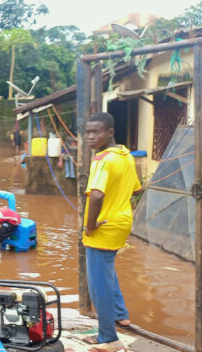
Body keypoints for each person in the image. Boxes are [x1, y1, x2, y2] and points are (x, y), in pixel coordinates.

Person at [81, 112, 140, 350]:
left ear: (110, 132)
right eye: (88, 132)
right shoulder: (125, 155)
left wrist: (90, 225)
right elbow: (135, 189)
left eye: (96, 132)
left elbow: (96, 195)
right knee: (106, 272)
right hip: (122, 221)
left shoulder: (102, 159)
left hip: (103, 228)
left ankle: (107, 337)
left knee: (98, 284)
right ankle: (120, 314)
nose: (91, 137)